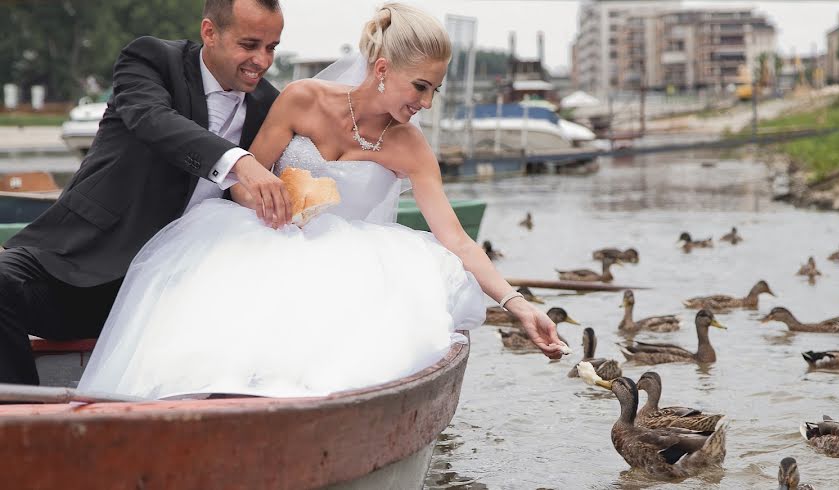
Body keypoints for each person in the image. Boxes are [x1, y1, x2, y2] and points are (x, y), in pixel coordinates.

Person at [77, 3, 566, 399]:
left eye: (434, 90)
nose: (426, 102)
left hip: (351, 264)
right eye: (420, 86)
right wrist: (271, 200)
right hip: (268, 236)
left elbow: (454, 237)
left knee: (339, 347)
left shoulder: (411, 147)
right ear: (381, 69)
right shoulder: (301, 98)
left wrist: (518, 304)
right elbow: (245, 182)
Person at [0, 0, 291, 385]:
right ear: (209, 32)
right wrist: (241, 162)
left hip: (182, 291)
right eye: (249, 44)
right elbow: (153, 120)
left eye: (272, 47)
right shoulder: (152, 59)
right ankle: (23, 422)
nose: (262, 60)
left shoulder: (270, 105)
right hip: (85, 266)